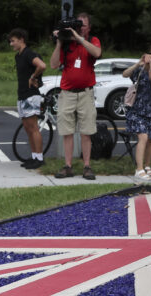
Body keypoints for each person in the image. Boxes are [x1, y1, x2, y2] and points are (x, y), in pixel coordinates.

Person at [49, 13, 102, 180]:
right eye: (78, 25)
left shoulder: (92, 40)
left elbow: (97, 53)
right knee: (67, 131)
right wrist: (60, 42)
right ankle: (68, 166)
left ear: (89, 28)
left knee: (86, 131)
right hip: (67, 93)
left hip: (85, 93)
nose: (80, 28)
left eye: (83, 25)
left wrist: (79, 38)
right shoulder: (67, 44)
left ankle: (87, 166)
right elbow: (53, 64)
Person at [122, 43, 151, 182]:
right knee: (143, 137)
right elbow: (125, 74)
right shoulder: (140, 69)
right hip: (136, 109)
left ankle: (147, 165)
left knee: (149, 140)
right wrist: (138, 64)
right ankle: (139, 169)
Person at [8, 29, 47, 170]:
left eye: (13, 40)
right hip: (22, 95)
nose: (11, 44)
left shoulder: (28, 53)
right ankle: (34, 156)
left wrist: (33, 77)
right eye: (10, 41)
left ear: (21, 39)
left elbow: (42, 65)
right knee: (27, 128)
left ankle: (40, 158)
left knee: (33, 128)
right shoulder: (18, 56)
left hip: (31, 95)